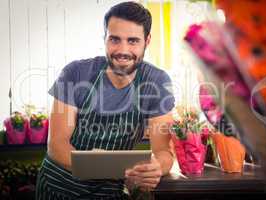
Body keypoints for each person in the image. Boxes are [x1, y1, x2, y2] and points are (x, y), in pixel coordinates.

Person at [35, 1, 175, 199]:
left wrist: (156, 167)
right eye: (114, 39)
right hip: (58, 188)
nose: (122, 50)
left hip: (110, 194)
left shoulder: (157, 82)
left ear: (147, 40)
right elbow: (57, 145)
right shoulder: (76, 73)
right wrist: (120, 170)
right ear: (105, 38)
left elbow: (163, 151)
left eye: (133, 41)